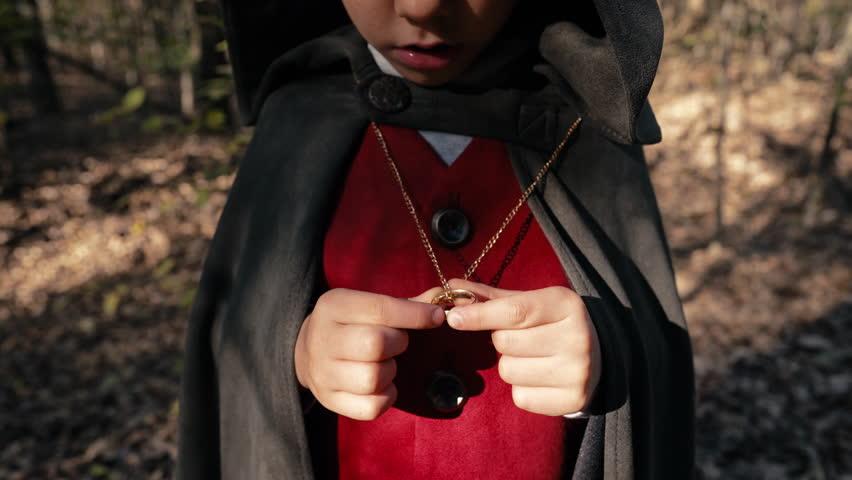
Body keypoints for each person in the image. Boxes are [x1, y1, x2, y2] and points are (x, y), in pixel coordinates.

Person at [177, 0, 695, 478]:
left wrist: (605, 359)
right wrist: (297, 361)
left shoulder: (587, 123)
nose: (422, 6)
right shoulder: (296, 121)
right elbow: (234, 349)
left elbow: (657, 350)